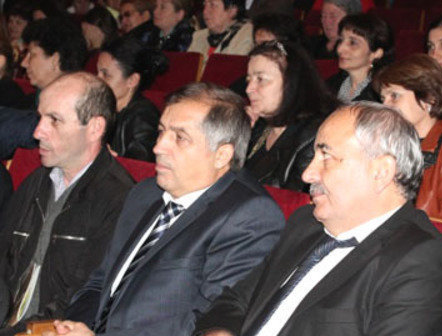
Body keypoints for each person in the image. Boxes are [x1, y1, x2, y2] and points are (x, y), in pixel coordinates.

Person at [194, 101, 442, 336]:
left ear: (381, 172)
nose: (308, 174)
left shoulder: (421, 261)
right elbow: (236, 300)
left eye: (326, 157)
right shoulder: (305, 223)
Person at [49, 82, 285, 336]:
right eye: (161, 132)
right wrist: (75, 326)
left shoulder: (249, 217)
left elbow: (210, 322)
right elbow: (100, 282)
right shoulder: (145, 193)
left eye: (180, 137)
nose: (158, 147)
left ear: (222, 155)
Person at [0, 72, 135, 334]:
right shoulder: (36, 181)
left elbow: (82, 302)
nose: (38, 131)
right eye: (40, 117)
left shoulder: (118, 199)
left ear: (95, 127)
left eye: (55, 120)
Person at [375, 54, 442, 224]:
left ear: (429, 98)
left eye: (394, 96)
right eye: (383, 98)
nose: (385, 105)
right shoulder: (383, 146)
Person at [245, 41, 339, 192]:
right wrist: (238, 137)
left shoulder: (316, 135)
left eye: (260, 79)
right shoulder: (260, 126)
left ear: (291, 82)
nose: (249, 89)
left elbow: (295, 201)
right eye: (248, 80)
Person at [97, 36, 168, 162]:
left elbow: (138, 169)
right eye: (97, 72)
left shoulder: (144, 117)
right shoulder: (98, 108)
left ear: (132, 80)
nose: (97, 80)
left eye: (105, 75)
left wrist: (114, 161)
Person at [19, 17, 88, 109]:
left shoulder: (79, 108)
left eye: (32, 55)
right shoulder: (26, 104)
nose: (23, 63)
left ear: (55, 60)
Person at [326, 13, 393, 103]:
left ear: (376, 53)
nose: (340, 49)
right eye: (341, 40)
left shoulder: (382, 95)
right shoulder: (330, 85)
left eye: (353, 43)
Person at [188, 0, 253, 73]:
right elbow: (188, 71)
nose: (205, 12)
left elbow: (231, 72)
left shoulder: (247, 34)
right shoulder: (199, 36)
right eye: (204, 5)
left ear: (232, 10)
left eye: (212, 5)